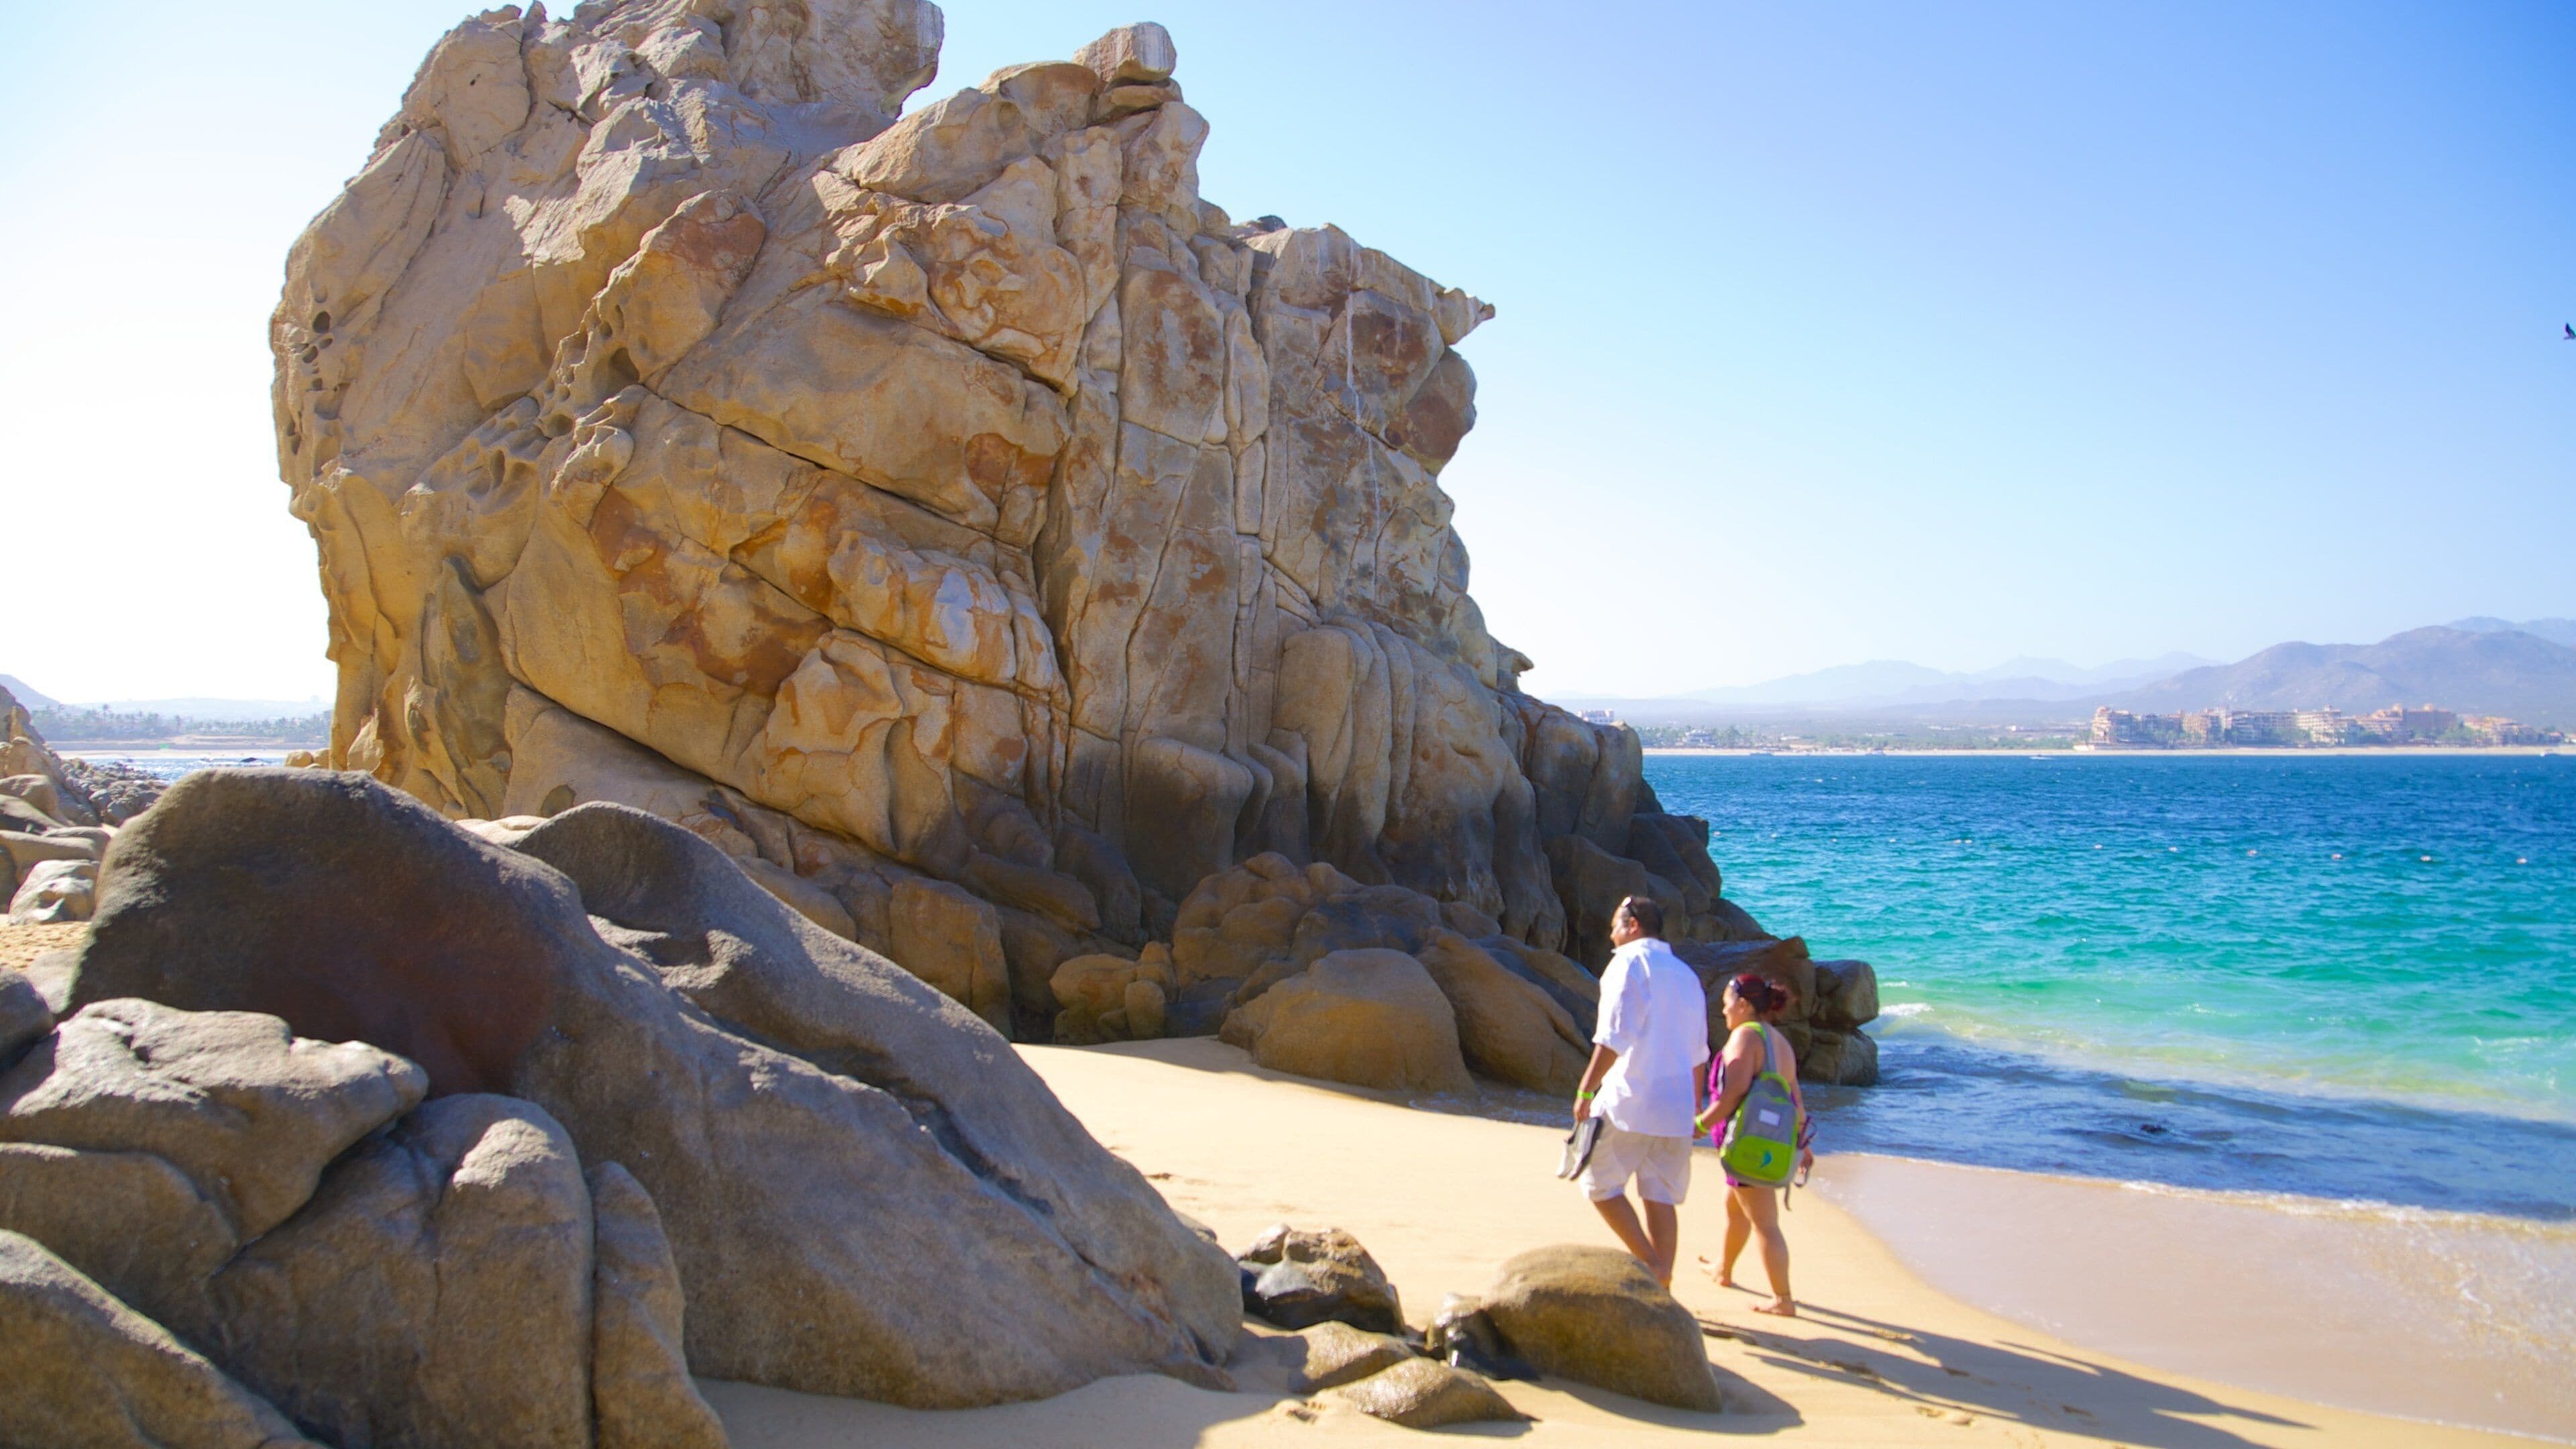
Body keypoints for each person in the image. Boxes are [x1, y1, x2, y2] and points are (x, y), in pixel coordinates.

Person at [1570, 895, 1709, 1287]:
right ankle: (1661, 1284)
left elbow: (1614, 1035)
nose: (1610, 934)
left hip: (1633, 1099)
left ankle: (1652, 1266)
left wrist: (1585, 1090)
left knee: (1598, 1182)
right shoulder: (1686, 975)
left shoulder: (1629, 963)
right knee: (1660, 1194)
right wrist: (1696, 1107)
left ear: (1633, 926)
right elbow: (1700, 1052)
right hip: (1678, 1106)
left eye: (1616, 924)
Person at [1696, 972, 1802, 1316]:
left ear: (1743, 1005)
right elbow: (1795, 1099)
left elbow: (1733, 1093)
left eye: (1726, 1004)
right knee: (1735, 1207)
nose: (1723, 1011)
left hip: (1750, 1146)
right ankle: (1723, 1269)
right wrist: (1804, 1143)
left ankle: (1783, 1299)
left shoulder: (1744, 1038)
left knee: (1765, 1224)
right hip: (1771, 1143)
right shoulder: (1779, 1042)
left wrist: (1700, 1124)